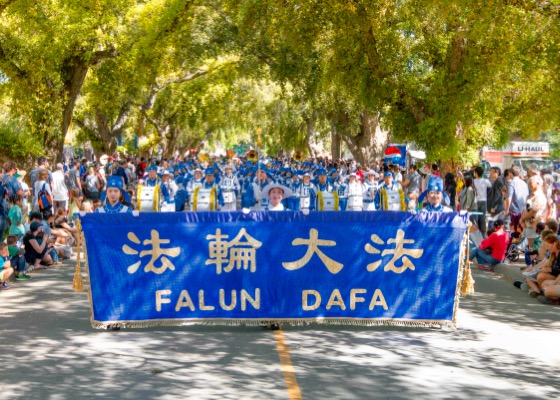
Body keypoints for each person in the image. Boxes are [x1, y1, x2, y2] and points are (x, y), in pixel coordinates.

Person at [520, 175, 547, 249]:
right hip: (527, 223)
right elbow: (525, 208)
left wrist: (523, 219)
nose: (529, 184)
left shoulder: (540, 196)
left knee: (533, 246)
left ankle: (533, 260)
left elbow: (534, 210)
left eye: (531, 182)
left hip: (534, 224)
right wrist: (522, 220)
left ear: (538, 183)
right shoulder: (530, 195)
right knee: (529, 245)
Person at [505, 166, 529, 232]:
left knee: (514, 230)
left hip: (515, 211)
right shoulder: (524, 183)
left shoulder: (511, 183)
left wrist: (507, 209)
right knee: (521, 230)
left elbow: (509, 197)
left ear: (510, 173)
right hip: (523, 210)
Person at [473, 166, 492, 237]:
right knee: (483, 218)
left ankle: (476, 234)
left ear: (476, 173)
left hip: (476, 201)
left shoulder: (473, 181)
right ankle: (483, 234)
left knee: (476, 218)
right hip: (484, 201)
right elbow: (490, 187)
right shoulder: (486, 181)